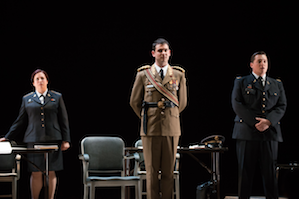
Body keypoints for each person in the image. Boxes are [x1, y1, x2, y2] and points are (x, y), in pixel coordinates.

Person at [130, 38, 187, 199]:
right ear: (153, 53)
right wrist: (147, 117)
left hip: (171, 127)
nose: (163, 53)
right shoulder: (143, 74)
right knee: (152, 172)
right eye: (159, 50)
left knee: (169, 172)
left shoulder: (178, 74)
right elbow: (134, 101)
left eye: (165, 50)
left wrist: (171, 116)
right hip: (151, 128)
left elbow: (182, 102)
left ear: (170, 53)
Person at [0, 69, 71, 199]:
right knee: (36, 172)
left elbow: (64, 119)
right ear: (33, 83)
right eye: (37, 79)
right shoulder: (27, 99)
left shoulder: (57, 97)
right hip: (33, 139)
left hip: (53, 139)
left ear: (47, 81)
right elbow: (20, 121)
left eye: (42, 78)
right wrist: (8, 136)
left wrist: (66, 140)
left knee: (51, 171)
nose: (40, 81)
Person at [231, 51, 287, 198]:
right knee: (245, 172)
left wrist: (268, 121)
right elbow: (237, 104)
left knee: (270, 173)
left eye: (265, 61)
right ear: (251, 64)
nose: (262, 64)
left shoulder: (276, 84)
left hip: (269, 132)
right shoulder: (241, 82)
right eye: (259, 61)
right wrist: (255, 123)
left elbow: (281, 105)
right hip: (247, 131)